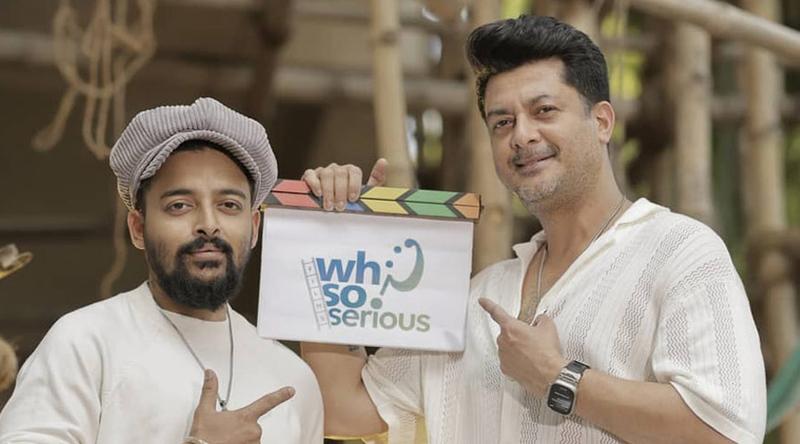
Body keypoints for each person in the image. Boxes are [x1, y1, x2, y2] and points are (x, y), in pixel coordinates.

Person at [300, 15, 766, 444]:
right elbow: (341, 410)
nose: (521, 135)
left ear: (602, 121)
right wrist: (333, 240)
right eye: (502, 122)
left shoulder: (680, 251)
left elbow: (724, 429)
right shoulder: (475, 297)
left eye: (543, 111)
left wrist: (558, 377)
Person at [0, 98, 323, 444]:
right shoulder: (85, 342)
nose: (208, 224)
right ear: (138, 228)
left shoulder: (293, 379)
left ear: (255, 227)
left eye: (229, 205)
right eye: (179, 205)